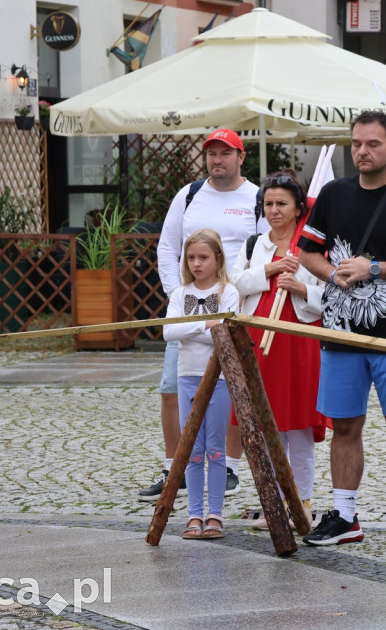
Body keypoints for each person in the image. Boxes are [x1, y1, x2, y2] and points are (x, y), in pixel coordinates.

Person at [297, 110, 386, 547]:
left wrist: (373, 269)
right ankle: (345, 516)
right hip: (341, 333)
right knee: (344, 426)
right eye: (357, 143)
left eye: (373, 143)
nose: (363, 151)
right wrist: (333, 275)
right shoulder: (334, 194)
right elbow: (308, 251)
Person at [141, 128, 268, 502]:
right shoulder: (190, 194)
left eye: (225, 153)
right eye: (211, 153)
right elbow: (167, 247)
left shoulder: (256, 197)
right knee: (172, 386)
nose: (217, 160)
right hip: (190, 301)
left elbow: (261, 252)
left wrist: (242, 297)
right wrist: (177, 294)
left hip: (234, 302)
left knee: (230, 388)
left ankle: (228, 466)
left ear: (241, 157)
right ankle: (174, 466)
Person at [229, 171, 326, 529]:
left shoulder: (312, 247)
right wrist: (271, 269)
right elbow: (235, 280)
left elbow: (330, 296)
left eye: (282, 203)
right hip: (260, 342)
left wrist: (300, 288)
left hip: (300, 340)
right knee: (265, 425)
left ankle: (301, 503)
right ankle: (273, 503)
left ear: (299, 207)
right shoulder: (255, 245)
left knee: (298, 426)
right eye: (268, 203)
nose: (274, 210)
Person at [163, 229, 241, 540]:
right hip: (188, 375)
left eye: (203, 257)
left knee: (215, 447)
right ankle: (194, 513)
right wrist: (205, 325)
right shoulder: (179, 295)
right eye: (191, 257)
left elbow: (225, 331)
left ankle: (215, 514)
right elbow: (169, 331)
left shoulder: (228, 292)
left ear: (217, 258)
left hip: (219, 377)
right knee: (192, 447)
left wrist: (191, 328)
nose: (197, 263)